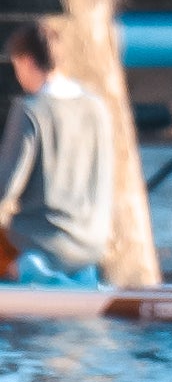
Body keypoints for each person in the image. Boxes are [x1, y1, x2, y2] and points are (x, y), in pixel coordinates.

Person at [0, 23, 113, 286]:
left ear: (26, 62)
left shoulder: (30, 110)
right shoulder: (97, 106)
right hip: (92, 245)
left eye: (16, 67)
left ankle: (28, 272)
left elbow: (5, 188)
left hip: (42, 245)